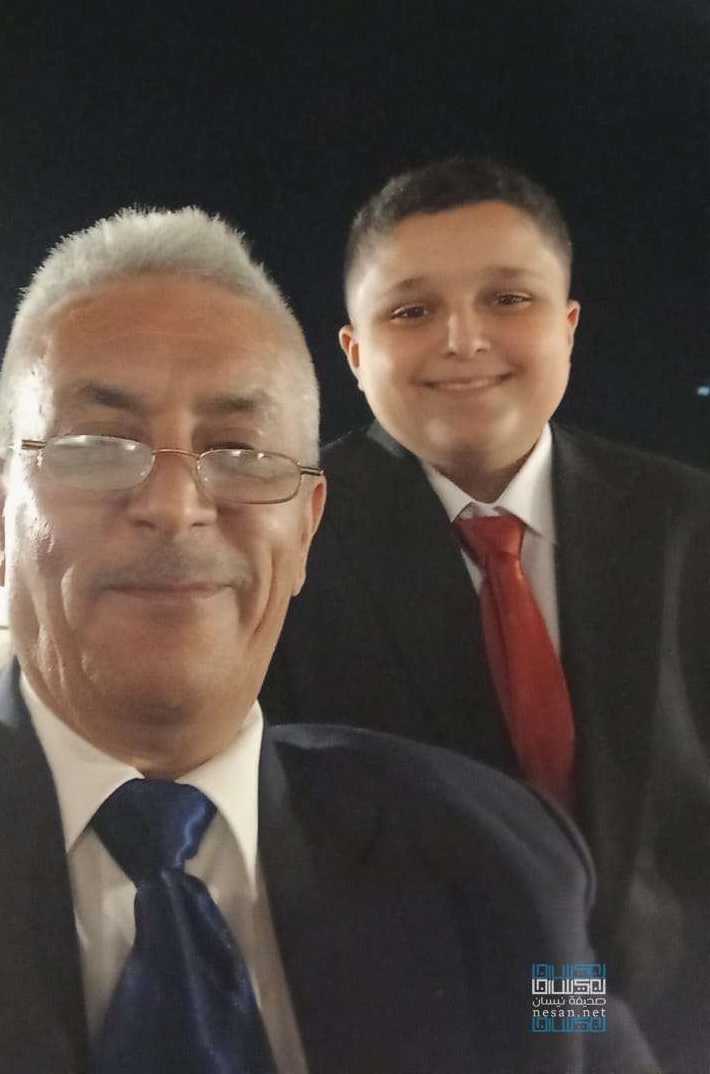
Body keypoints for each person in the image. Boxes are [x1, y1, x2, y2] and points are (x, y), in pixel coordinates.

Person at [0, 207, 652, 1073]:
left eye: (240, 453)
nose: (175, 505)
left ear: (306, 529)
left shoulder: (499, 860)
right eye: (97, 445)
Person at [261, 156, 710, 1068]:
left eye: (508, 299)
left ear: (568, 325)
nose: (463, 339)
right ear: (353, 352)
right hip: (416, 1038)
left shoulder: (687, 523)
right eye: (411, 311)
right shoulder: (282, 540)